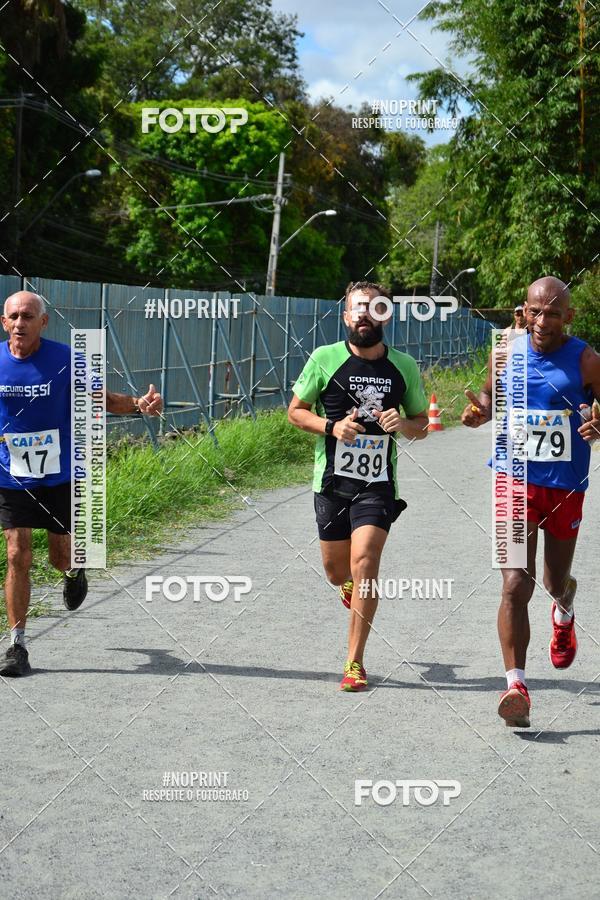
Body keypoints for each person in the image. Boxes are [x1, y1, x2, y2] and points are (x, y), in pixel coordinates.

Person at [0, 291, 162, 677]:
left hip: (59, 474)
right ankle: (16, 645)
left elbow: (100, 399)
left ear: (43, 322)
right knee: (17, 553)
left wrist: (139, 405)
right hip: (11, 473)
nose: (20, 323)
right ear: (4, 322)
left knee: (60, 556)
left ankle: (74, 571)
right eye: (13, 316)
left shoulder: (65, 361)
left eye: (28, 316)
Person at [462, 276, 600, 727]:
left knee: (553, 579)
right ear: (523, 310)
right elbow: (489, 393)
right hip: (513, 481)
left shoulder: (586, 360)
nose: (543, 321)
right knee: (514, 584)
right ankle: (515, 686)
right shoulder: (505, 349)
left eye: (553, 313)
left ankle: (564, 608)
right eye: (535, 312)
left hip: (565, 486)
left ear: (569, 317)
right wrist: (480, 410)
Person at [288, 281, 428, 691]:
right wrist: (332, 427)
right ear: (346, 316)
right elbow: (296, 413)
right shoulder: (324, 358)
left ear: (384, 315)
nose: (365, 314)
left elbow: (421, 424)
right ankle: (346, 585)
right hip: (332, 483)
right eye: (357, 308)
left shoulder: (403, 366)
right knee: (337, 572)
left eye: (374, 308)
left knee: (365, 561)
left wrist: (402, 424)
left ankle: (354, 662)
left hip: (377, 485)